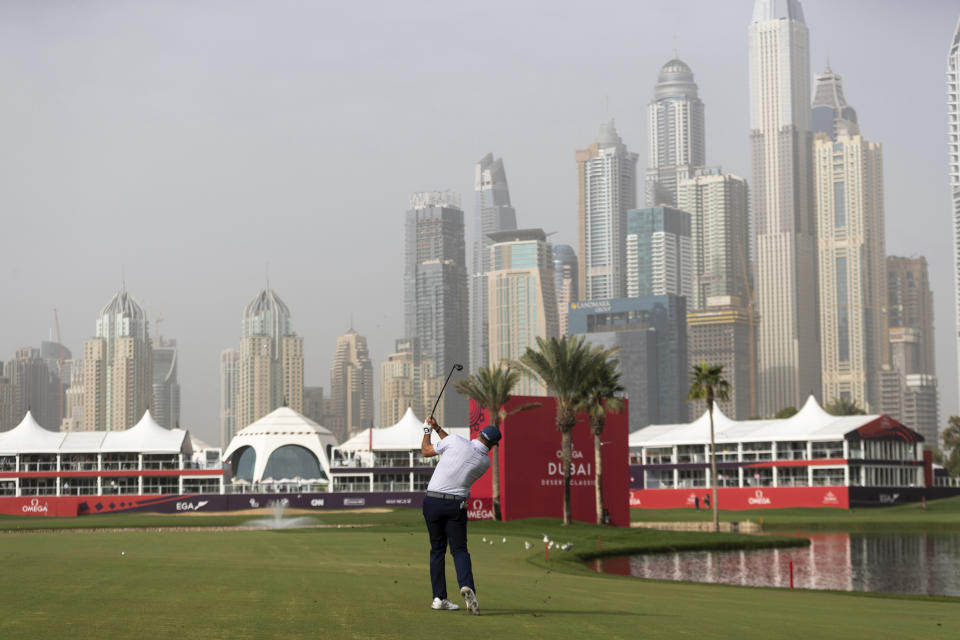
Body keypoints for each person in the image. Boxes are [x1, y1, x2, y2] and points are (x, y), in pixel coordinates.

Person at [420, 415, 500, 615]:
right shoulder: (484, 462)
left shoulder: (455, 441)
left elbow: (426, 451)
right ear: (492, 445)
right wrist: (438, 427)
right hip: (456, 505)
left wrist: (427, 431)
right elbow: (455, 448)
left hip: (432, 501)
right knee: (459, 551)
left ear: (479, 434)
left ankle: (438, 598)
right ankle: (467, 586)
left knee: (437, 550)